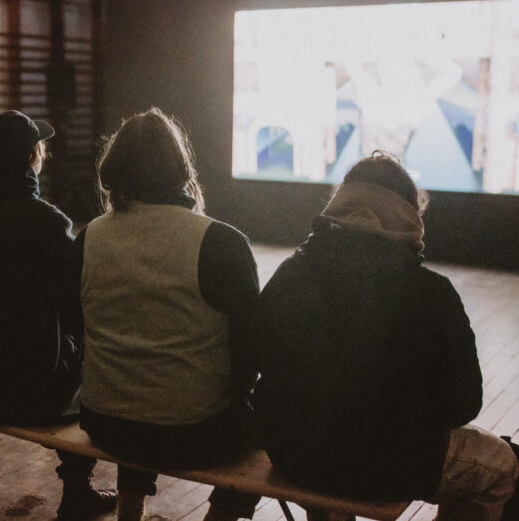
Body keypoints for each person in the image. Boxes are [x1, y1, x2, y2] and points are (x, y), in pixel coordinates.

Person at [254, 151, 519, 519]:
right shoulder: (433, 292)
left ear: (340, 203)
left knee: (321, 427)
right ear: (409, 216)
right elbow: (464, 403)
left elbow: (258, 359)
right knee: (502, 467)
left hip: (293, 455)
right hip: (391, 468)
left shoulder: (289, 275)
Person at [72, 108, 260, 521]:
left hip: (106, 423)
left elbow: (76, 327)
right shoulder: (221, 242)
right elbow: (252, 348)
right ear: (180, 168)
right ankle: (221, 517)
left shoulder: (89, 237)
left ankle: (130, 512)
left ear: (114, 169)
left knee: (141, 383)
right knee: (266, 414)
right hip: (195, 433)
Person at [0, 110, 116, 520]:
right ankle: (78, 491)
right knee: (98, 360)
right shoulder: (48, 223)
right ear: (32, 156)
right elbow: (75, 310)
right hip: (28, 393)